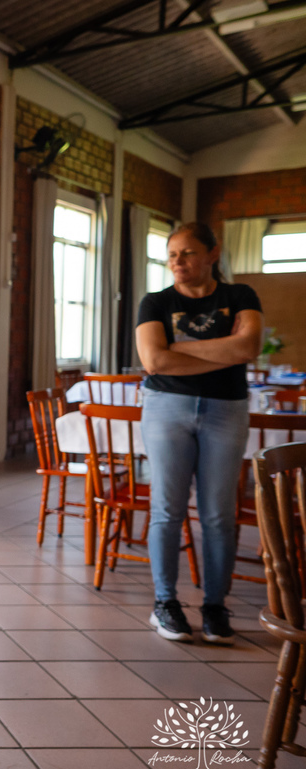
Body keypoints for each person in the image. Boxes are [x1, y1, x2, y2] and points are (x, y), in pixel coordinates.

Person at [136, 222, 263, 645]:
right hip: (166, 408)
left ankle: (214, 606)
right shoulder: (154, 302)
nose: (178, 262)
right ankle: (165, 603)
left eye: (188, 253)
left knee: (218, 515)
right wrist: (220, 351)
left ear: (212, 254)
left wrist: (181, 349)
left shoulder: (239, 296)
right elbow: (154, 361)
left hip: (226, 410)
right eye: (172, 255)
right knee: (167, 510)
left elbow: (247, 348)